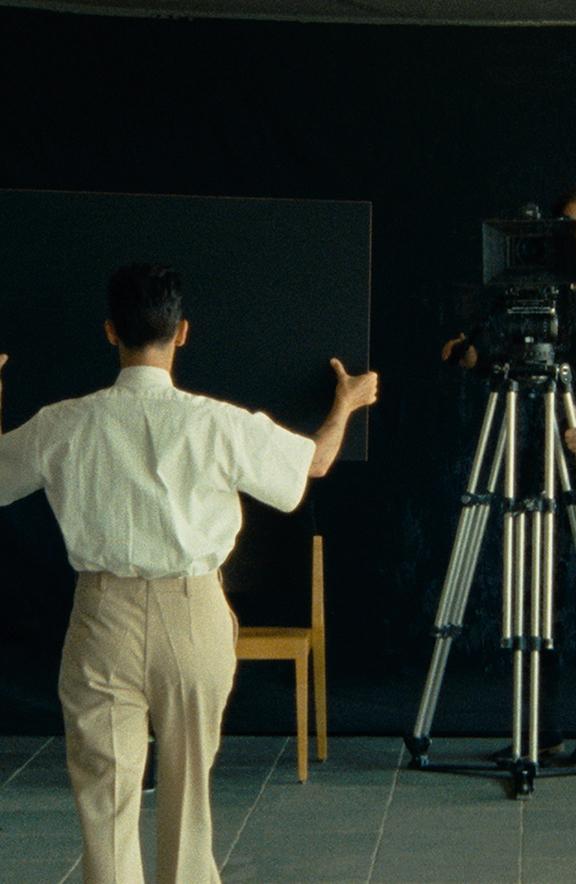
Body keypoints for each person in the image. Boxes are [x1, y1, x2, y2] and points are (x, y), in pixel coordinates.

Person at [0, 264, 379, 883]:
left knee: (105, 801)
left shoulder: (62, 423)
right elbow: (312, 465)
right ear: (181, 333)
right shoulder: (217, 423)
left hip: (101, 617)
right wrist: (345, 404)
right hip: (193, 614)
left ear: (109, 331)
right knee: (189, 795)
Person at [443, 185, 576, 765]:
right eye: (569, 225)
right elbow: (519, 362)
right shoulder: (545, 296)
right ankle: (539, 729)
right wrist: (476, 359)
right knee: (537, 598)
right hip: (536, 463)